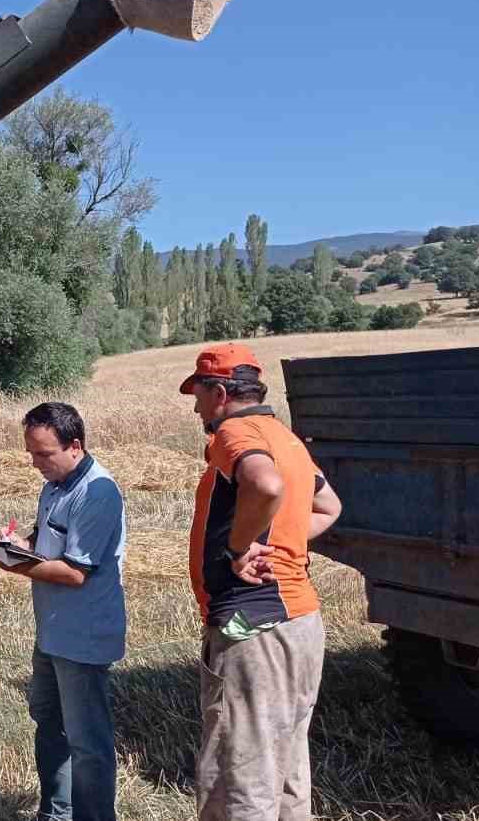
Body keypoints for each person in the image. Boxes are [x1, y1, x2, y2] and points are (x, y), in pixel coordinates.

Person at [181, 343, 342, 821]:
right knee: (287, 766)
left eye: (199, 394)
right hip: (299, 621)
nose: (196, 407)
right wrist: (279, 540)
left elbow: (264, 485)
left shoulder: (234, 432)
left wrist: (237, 547)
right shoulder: (285, 437)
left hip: (254, 624)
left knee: (241, 774)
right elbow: (329, 507)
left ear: (220, 391)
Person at [0, 402, 126, 821]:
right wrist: (14, 545)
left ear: (74, 446)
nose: (35, 463)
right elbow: (43, 540)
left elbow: (76, 572)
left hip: (83, 637)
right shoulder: (54, 485)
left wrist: (10, 563)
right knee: (49, 724)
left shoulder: (99, 493)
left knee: (87, 742)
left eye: (43, 454)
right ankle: (56, 813)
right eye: (31, 453)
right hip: (52, 632)